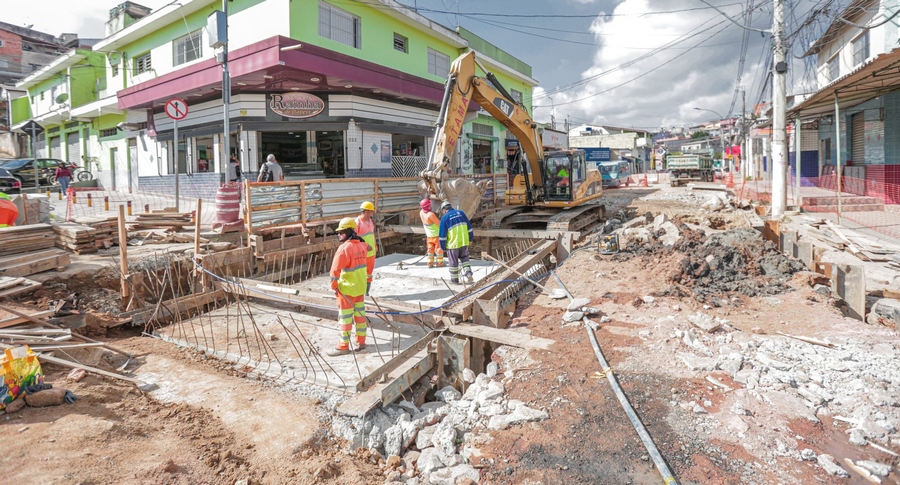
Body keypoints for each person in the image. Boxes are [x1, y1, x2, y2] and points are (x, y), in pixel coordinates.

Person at [326, 217, 369, 356]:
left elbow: (334, 271)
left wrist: (334, 287)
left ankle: (343, 346)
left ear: (350, 232)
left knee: (345, 320)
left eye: (342, 232)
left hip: (347, 290)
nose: (339, 234)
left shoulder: (344, 248)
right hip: (360, 288)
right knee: (360, 317)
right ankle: (361, 342)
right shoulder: (362, 246)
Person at [438, 201, 474, 284]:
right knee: (465, 259)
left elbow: (442, 235)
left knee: (453, 263)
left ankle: (455, 280)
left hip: (452, 245)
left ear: (444, 210)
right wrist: (470, 239)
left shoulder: (445, 218)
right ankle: (468, 274)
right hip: (464, 242)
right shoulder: (461, 213)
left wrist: (443, 247)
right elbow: (469, 228)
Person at [355, 201, 377, 295]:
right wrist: (365, 245)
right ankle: (360, 292)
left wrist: (375, 244)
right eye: (371, 211)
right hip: (362, 253)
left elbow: (371, 234)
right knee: (361, 273)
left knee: (369, 273)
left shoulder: (370, 221)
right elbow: (354, 238)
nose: (372, 213)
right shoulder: (357, 222)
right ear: (366, 212)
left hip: (371, 253)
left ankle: (366, 293)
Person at [418, 199, 444, 268]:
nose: (431, 206)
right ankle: (439, 263)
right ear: (428, 206)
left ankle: (430, 263)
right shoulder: (430, 215)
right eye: (429, 205)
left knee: (430, 250)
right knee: (439, 249)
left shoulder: (421, 213)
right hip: (436, 235)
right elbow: (439, 224)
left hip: (429, 236)